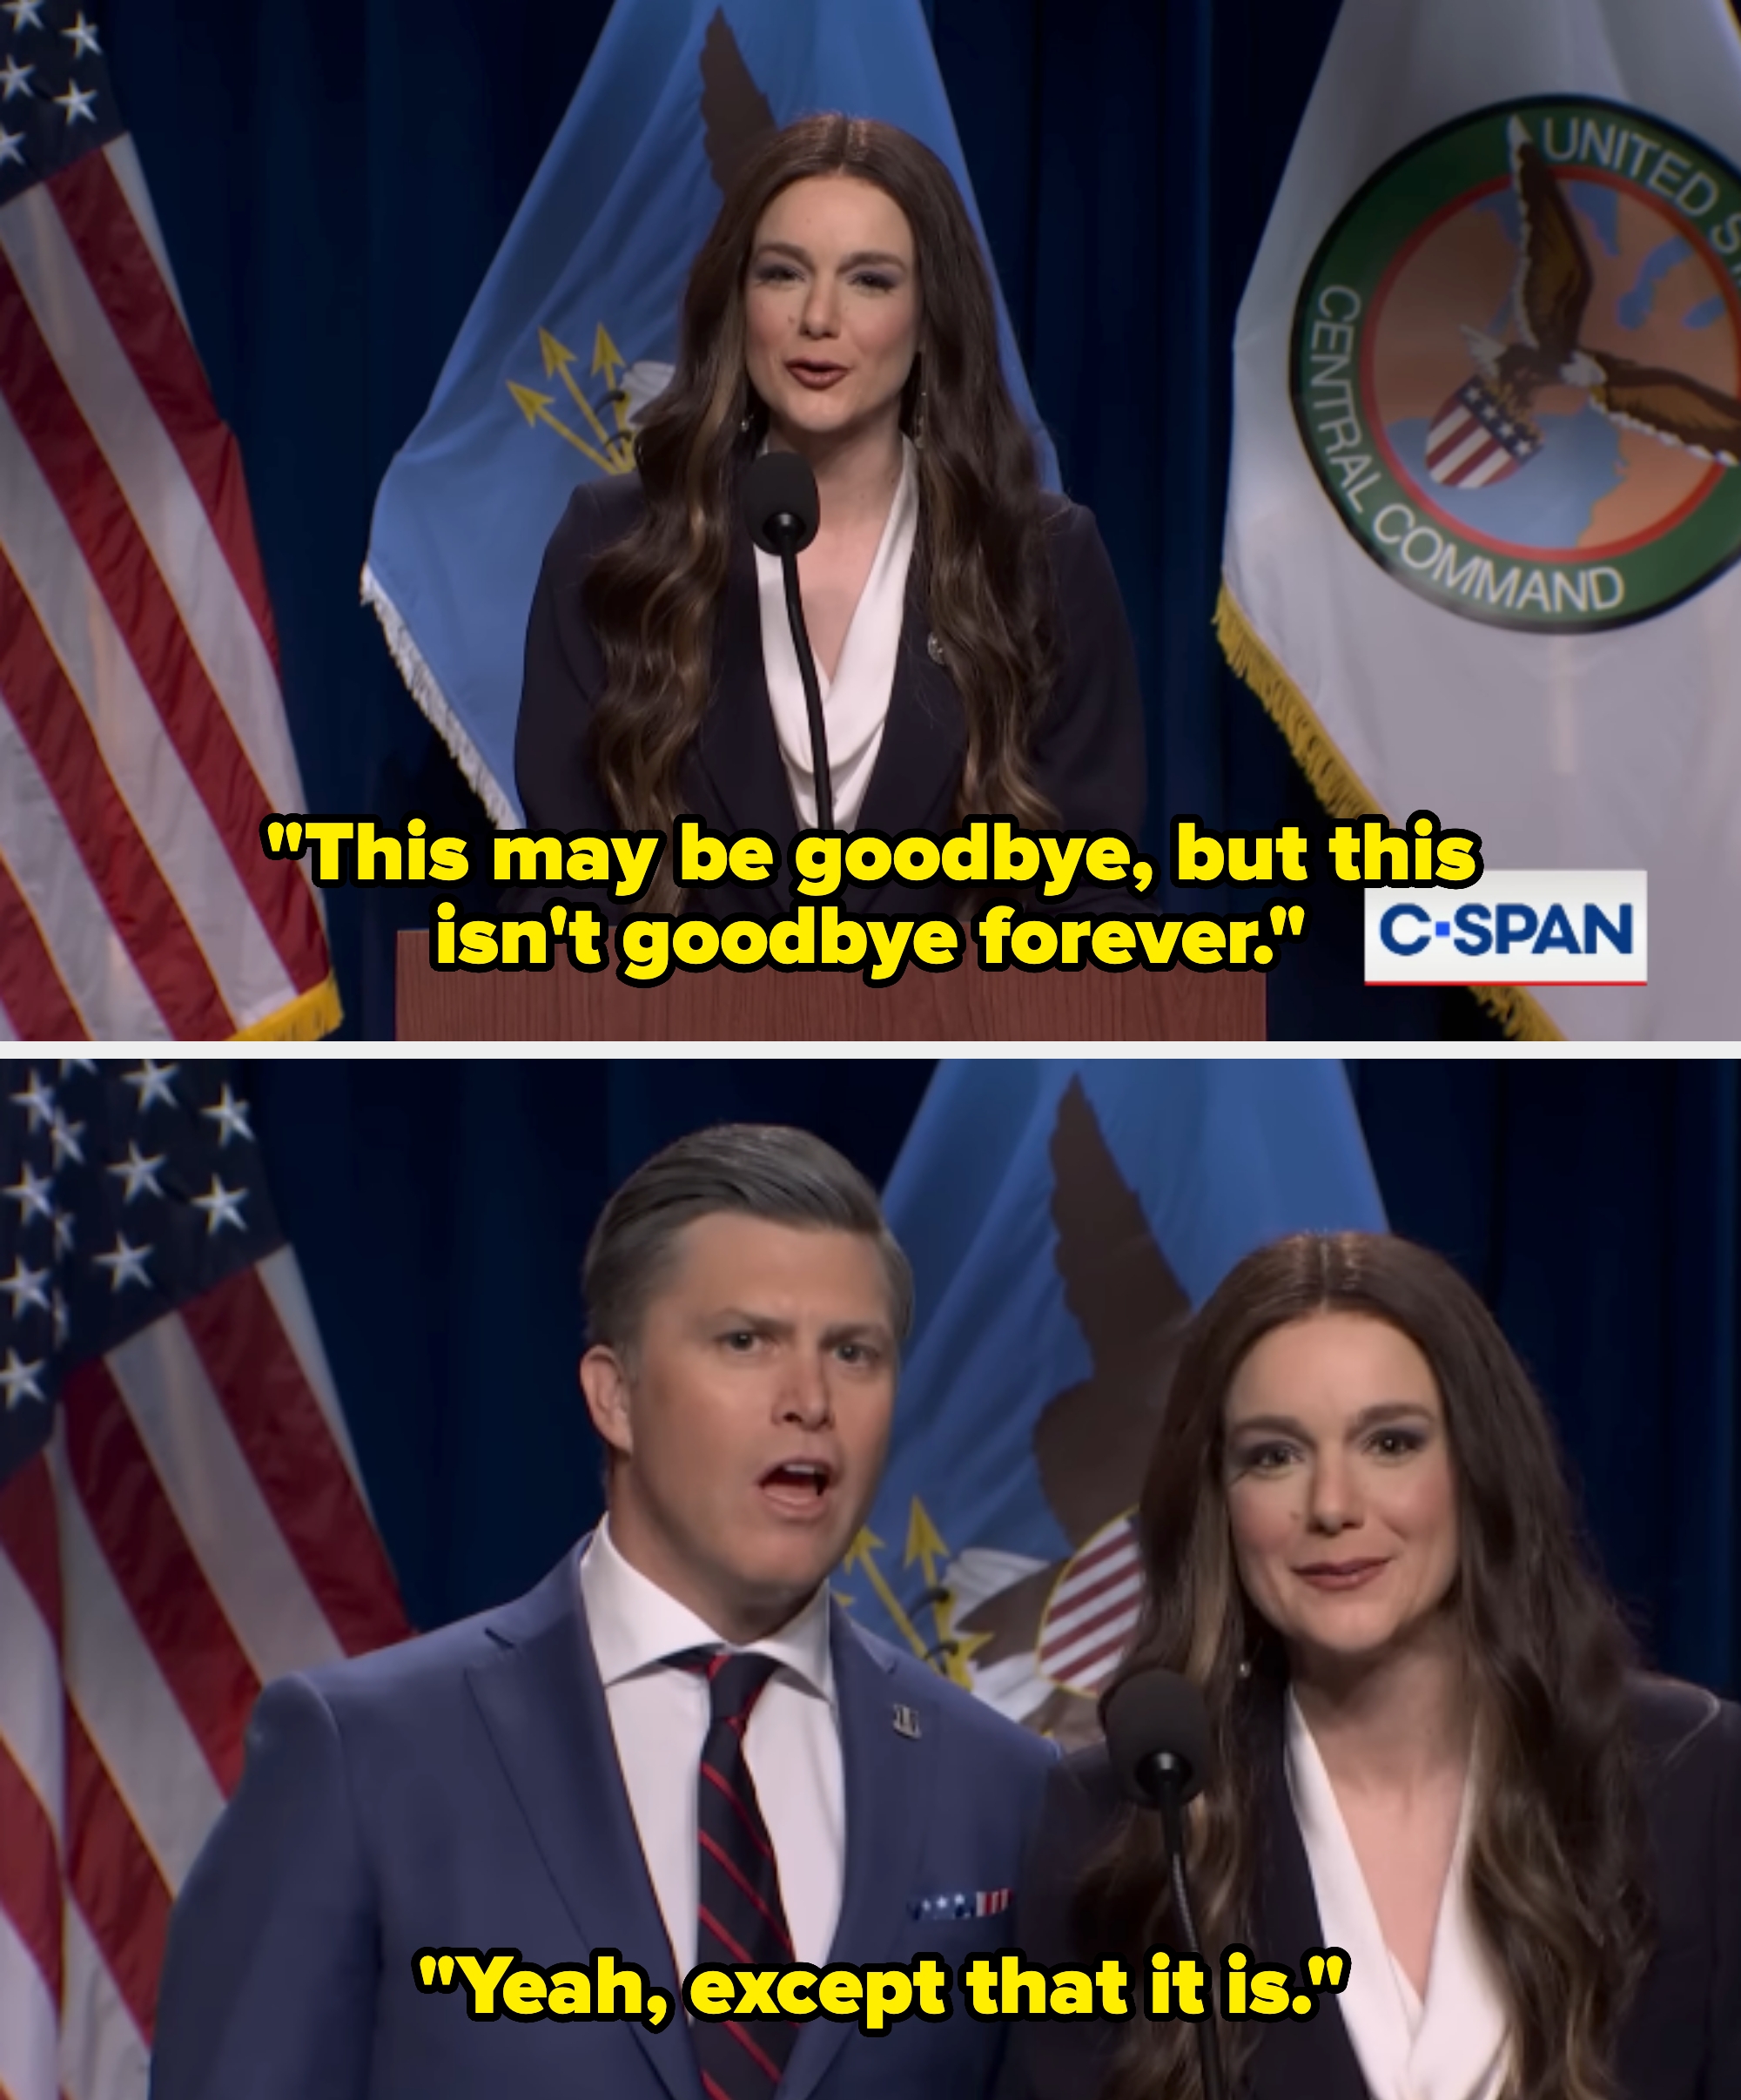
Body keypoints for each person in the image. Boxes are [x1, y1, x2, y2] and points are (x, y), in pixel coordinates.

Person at [151, 1125, 1055, 2100]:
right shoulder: (363, 1757)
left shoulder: (1002, 1786)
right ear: (614, 1397)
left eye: (853, 1352)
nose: (809, 1400)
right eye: (744, 1341)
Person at [1001, 1232, 1741, 2100]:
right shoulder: (1118, 1823)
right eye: (1272, 1456)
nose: (1330, 1506)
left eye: (1389, 1443)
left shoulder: (1691, 1777)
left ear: (1476, 1467)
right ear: (1218, 1502)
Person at [514, 113, 1146, 915]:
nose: (819, 317)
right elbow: (559, 895)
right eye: (782, 273)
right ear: (738, 301)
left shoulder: (1039, 561)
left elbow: (1090, 902)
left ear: (929, 319)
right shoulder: (613, 548)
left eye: (870, 280)